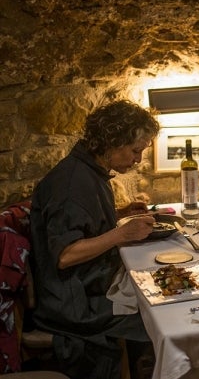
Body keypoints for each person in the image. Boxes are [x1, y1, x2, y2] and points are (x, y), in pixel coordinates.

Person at [29, 100, 160, 379]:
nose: (138, 160)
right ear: (113, 142)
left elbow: (82, 223)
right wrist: (120, 233)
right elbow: (65, 255)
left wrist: (120, 213)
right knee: (158, 314)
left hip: (91, 285)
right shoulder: (72, 182)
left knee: (155, 287)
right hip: (74, 303)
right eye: (136, 151)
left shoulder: (89, 170)